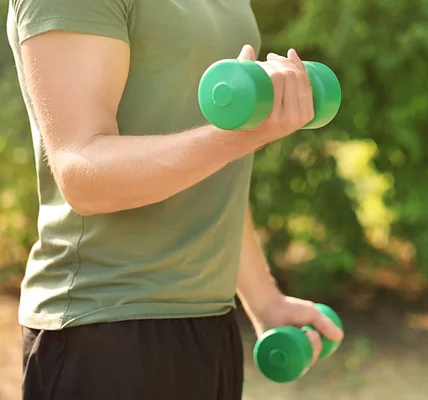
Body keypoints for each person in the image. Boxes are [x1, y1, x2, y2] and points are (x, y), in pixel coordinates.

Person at [6, 0, 344, 399]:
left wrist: (264, 299)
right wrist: (242, 136)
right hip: (105, 328)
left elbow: (205, 168)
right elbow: (83, 177)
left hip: (208, 324)